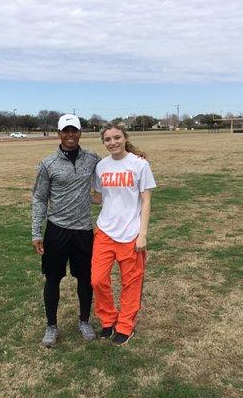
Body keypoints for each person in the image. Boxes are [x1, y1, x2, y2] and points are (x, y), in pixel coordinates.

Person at [32, 114, 101, 348]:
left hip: (83, 231)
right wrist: (36, 232)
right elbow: (40, 199)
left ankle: (84, 321)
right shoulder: (48, 164)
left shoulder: (92, 158)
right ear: (59, 133)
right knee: (53, 279)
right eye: (66, 131)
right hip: (57, 230)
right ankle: (51, 326)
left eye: (74, 131)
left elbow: (117, 162)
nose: (70, 135)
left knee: (85, 279)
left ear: (80, 132)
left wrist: (136, 156)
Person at [91, 125, 156, 345]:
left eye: (117, 137)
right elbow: (99, 198)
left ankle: (125, 325)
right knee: (98, 280)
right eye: (108, 139)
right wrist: (67, 191)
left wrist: (143, 234)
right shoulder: (101, 166)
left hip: (131, 234)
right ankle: (108, 320)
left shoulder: (140, 164)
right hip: (105, 231)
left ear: (125, 138)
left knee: (131, 282)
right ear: (104, 143)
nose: (113, 142)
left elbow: (146, 200)